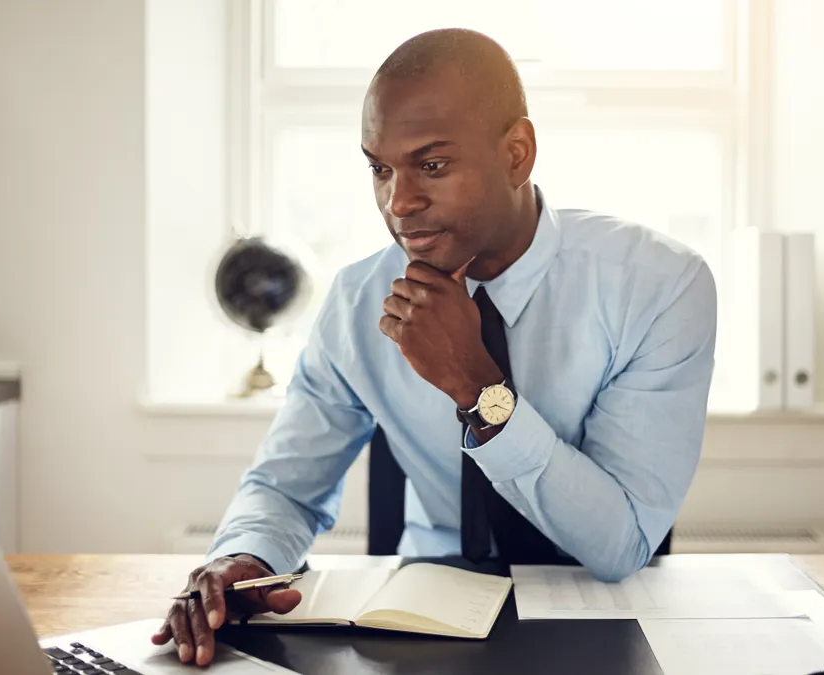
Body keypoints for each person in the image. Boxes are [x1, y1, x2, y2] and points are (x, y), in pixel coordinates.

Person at [152, 27, 717, 666]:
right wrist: (241, 560)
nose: (399, 203)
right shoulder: (357, 301)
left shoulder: (660, 286)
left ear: (517, 154)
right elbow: (287, 487)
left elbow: (620, 546)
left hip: (603, 619)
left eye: (431, 165)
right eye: (379, 168)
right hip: (419, 622)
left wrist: (479, 390)